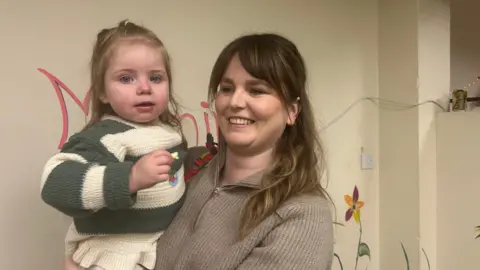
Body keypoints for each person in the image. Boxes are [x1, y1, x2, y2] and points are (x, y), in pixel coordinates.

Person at [154, 33, 335, 269]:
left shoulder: (302, 214)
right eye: (227, 88)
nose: (235, 102)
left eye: (257, 90)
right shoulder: (190, 165)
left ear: (292, 111)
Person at [40, 19, 191, 270]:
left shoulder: (168, 132)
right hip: (111, 256)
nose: (144, 88)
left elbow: (174, 169)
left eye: (155, 77)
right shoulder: (105, 137)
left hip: (152, 249)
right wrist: (129, 178)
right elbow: (54, 183)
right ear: (102, 92)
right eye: (126, 78)